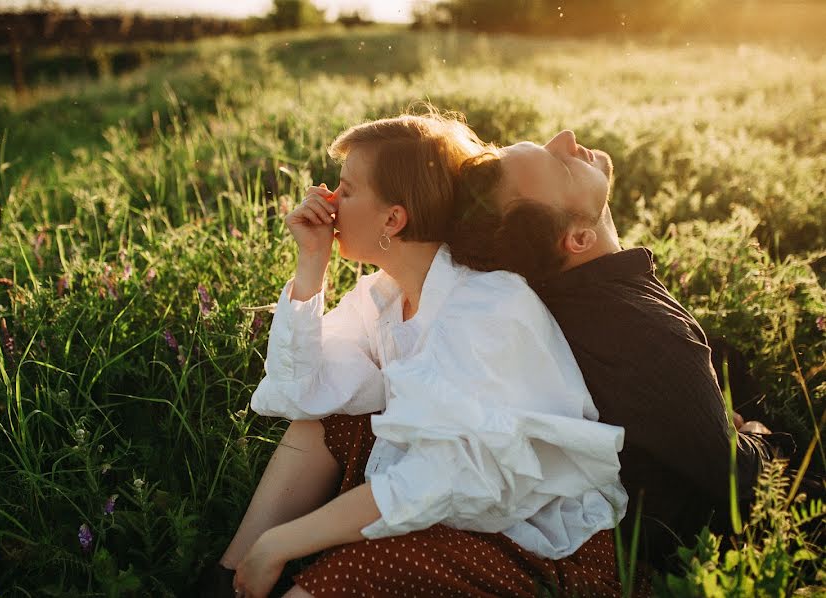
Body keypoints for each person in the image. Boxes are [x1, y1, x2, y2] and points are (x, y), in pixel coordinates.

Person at [201, 113, 635, 598]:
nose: (327, 201)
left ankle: (269, 565)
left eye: (345, 190)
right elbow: (302, 390)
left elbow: (440, 479)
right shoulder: (385, 296)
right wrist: (312, 264)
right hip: (464, 501)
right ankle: (229, 581)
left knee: (348, 573)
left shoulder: (486, 305)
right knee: (323, 423)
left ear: (393, 219)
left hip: (537, 540)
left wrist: (282, 542)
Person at [450, 129, 792, 571]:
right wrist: (761, 435)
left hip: (655, 478)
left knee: (727, 358)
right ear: (577, 239)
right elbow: (734, 477)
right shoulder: (646, 335)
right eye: (560, 165)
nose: (566, 139)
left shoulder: (556, 296)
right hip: (694, 543)